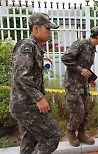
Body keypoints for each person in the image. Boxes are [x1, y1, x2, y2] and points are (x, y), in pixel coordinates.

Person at [10, 13, 60, 154]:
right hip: (26, 105)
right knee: (52, 137)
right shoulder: (27, 45)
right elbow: (22, 75)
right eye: (48, 29)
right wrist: (39, 98)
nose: (50, 32)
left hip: (24, 104)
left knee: (29, 143)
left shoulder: (35, 46)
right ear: (36, 28)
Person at [61, 26, 98, 147]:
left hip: (83, 84)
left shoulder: (92, 48)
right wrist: (80, 70)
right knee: (78, 111)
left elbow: (85, 66)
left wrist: (90, 79)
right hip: (73, 85)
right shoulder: (81, 44)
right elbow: (65, 57)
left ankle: (82, 133)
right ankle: (71, 132)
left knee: (85, 111)